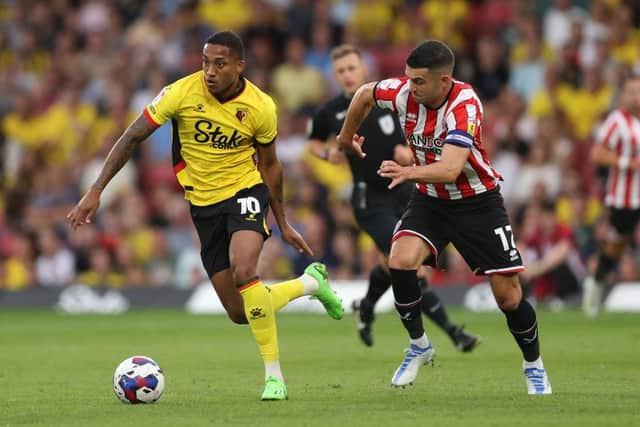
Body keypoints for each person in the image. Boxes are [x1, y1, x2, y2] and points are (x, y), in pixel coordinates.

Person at [67, 30, 344, 401]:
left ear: (239, 66)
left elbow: (271, 166)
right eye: (205, 62)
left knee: (246, 270)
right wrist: (97, 189)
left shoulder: (261, 107)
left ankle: (274, 377)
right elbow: (132, 136)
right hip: (204, 206)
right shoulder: (181, 93)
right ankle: (310, 285)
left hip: (246, 192)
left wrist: (283, 221)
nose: (210, 71)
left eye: (220, 64)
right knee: (240, 311)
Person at [337, 40, 552, 394]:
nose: (410, 87)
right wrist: (346, 139)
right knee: (400, 260)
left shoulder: (464, 105)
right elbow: (363, 94)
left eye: (419, 81)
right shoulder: (403, 94)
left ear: (445, 80)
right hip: (431, 201)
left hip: (478, 204)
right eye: (408, 79)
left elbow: (452, 168)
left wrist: (408, 173)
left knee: (509, 298)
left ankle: (534, 366)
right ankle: (419, 345)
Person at [307, 44, 479, 351]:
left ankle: (367, 305)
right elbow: (314, 143)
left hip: (403, 189)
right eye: (341, 71)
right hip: (369, 199)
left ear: (364, 70)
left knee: (394, 262)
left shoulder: (392, 103)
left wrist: (406, 155)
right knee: (408, 265)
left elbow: (408, 144)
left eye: (352, 68)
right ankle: (455, 333)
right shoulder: (330, 111)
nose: (347, 76)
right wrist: (327, 154)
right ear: (334, 76)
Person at [582, 74, 640, 318]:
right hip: (625, 197)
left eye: (638, 91)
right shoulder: (617, 121)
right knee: (617, 245)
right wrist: (628, 162)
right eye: (630, 91)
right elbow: (596, 154)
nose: (635, 96)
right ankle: (595, 282)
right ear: (623, 95)